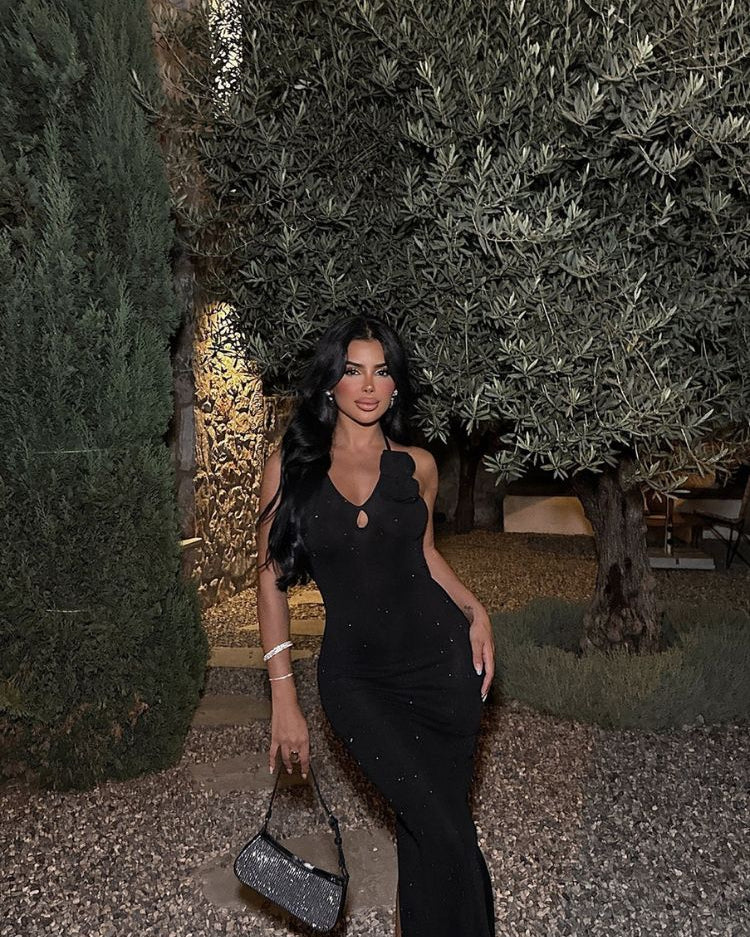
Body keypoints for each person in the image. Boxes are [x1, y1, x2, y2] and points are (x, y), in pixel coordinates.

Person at [256, 314, 496, 937]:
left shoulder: (419, 466)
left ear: (395, 385)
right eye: (354, 371)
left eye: (382, 372)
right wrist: (283, 696)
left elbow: (426, 554)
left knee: (430, 827)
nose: (368, 386)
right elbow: (270, 579)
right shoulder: (292, 466)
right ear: (330, 381)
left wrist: (475, 609)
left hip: (443, 670)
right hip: (357, 682)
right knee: (446, 831)